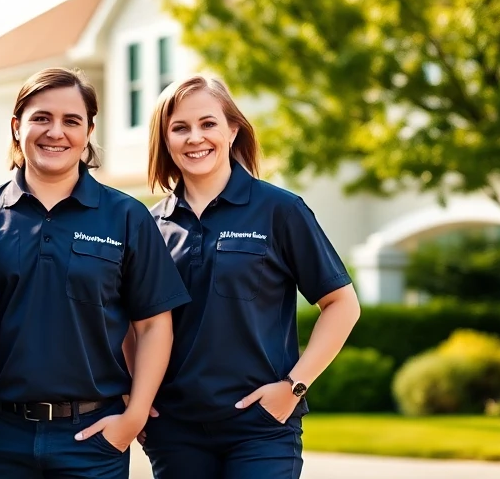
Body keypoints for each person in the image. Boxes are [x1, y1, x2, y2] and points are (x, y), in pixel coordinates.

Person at [0, 68, 188, 479]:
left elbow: (155, 324)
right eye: (41, 118)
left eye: (71, 121)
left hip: (92, 438)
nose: (56, 132)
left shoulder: (126, 216)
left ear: (88, 131)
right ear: (17, 127)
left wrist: (134, 417)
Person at [137, 74, 361, 479]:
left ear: (232, 129)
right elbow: (135, 324)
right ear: (165, 139)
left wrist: (294, 387)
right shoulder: (149, 226)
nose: (195, 138)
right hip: (176, 430)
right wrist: (136, 400)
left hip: (261, 428)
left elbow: (342, 305)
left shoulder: (280, 210)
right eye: (180, 128)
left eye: (208, 124)